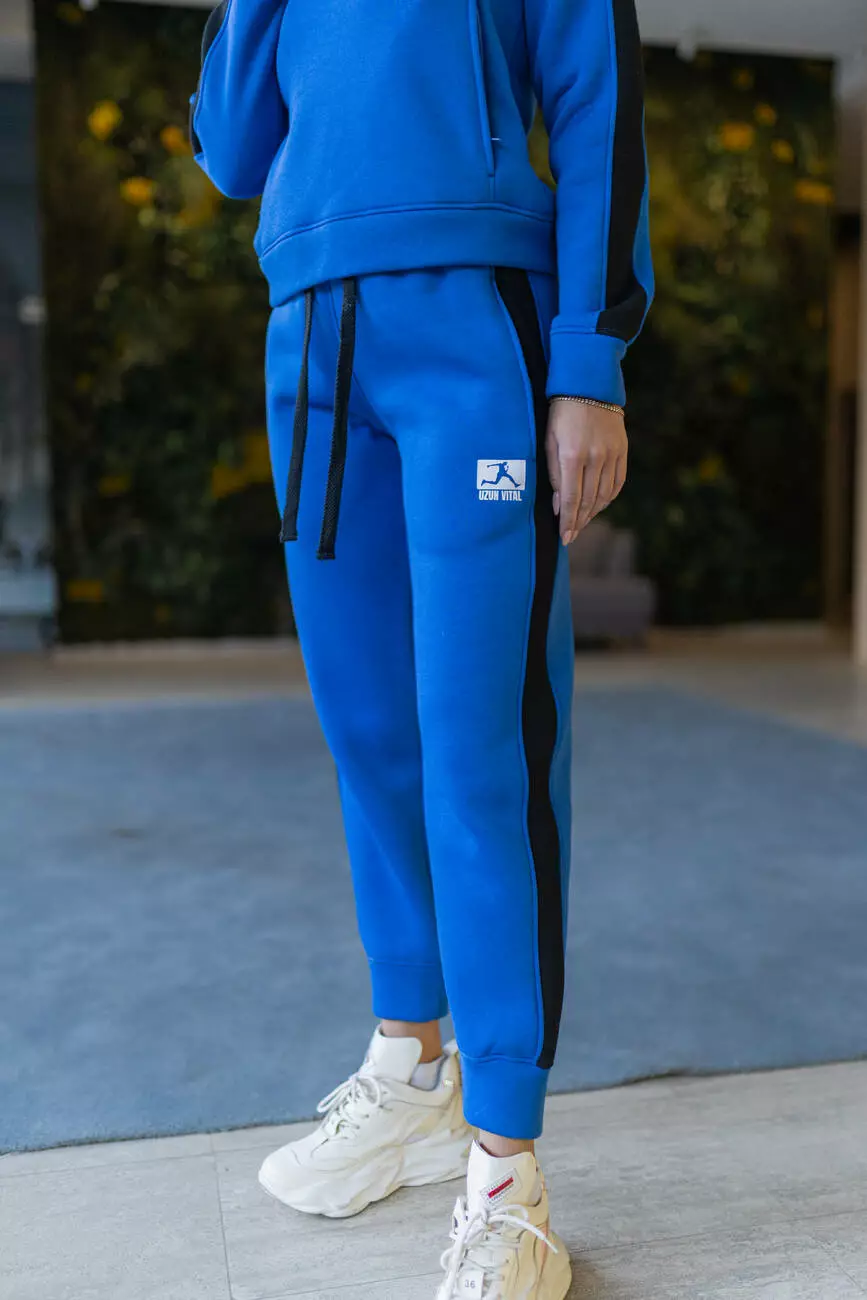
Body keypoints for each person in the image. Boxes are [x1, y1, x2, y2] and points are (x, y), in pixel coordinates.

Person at [191, 0, 652, 1293]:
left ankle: (507, 1168)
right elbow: (231, 148)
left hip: (473, 323)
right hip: (310, 332)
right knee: (370, 735)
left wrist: (588, 363)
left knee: (480, 745)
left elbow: (599, 103)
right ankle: (412, 1068)